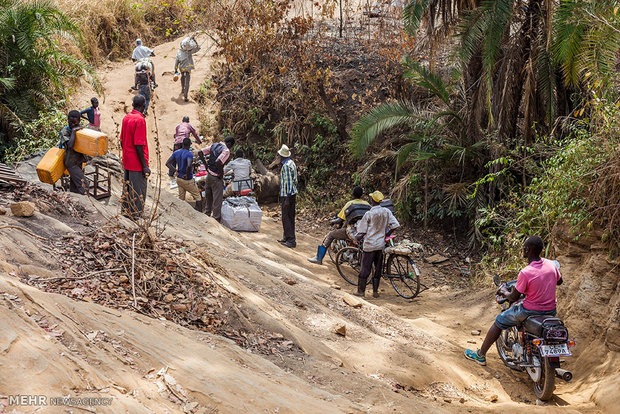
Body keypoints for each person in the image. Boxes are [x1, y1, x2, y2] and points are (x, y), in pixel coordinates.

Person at [464, 236, 563, 366]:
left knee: (499, 321)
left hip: (529, 310)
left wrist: (504, 291)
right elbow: (559, 281)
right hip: (551, 310)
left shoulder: (526, 272)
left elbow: (514, 297)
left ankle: (480, 355)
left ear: (527, 250)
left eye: (524, 248)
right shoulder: (551, 265)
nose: (523, 249)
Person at [354, 191, 399, 298]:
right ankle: (375, 292)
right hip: (380, 245)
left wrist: (357, 237)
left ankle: (361, 291)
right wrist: (386, 234)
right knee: (378, 268)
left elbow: (362, 231)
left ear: (372, 200)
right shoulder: (386, 211)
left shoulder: (369, 214)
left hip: (369, 245)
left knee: (365, 268)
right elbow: (395, 225)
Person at [307, 186, 369, 264]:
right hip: (366, 232)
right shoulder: (367, 204)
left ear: (353, 194)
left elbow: (340, 219)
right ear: (362, 195)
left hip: (353, 231)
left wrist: (332, 221)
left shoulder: (350, 203)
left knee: (331, 235)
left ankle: (318, 258)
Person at [120, 95, 150, 220]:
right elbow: (138, 145)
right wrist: (145, 166)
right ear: (143, 106)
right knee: (138, 191)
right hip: (136, 162)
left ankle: (125, 213)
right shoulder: (140, 120)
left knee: (127, 188)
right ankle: (136, 217)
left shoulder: (126, 117)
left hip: (127, 159)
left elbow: (121, 140)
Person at [198, 136, 235, 222]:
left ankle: (207, 214)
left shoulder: (214, 145)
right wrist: (221, 174)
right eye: (231, 146)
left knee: (208, 196)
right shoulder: (226, 151)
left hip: (209, 175)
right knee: (217, 199)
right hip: (216, 177)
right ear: (229, 144)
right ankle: (216, 219)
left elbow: (200, 152)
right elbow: (218, 162)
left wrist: (206, 165)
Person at [166, 137, 203, 211]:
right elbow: (189, 165)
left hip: (179, 178)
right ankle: (200, 213)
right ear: (189, 145)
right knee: (197, 196)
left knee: (181, 198)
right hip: (187, 179)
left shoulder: (176, 152)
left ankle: (181, 213)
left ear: (182, 144)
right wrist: (187, 174)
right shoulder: (189, 154)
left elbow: (167, 163)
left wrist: (175, 171)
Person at [59, 110, 88, 195]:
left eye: (75, 123)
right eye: (70, 122)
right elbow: (70, 146)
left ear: (79, 121)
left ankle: (75, 200)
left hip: (79, 161)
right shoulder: (65, 131)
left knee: (75, 185)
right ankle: (85, 203)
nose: (72, 125)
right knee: (84, 185)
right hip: (71, 163)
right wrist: (74, 132)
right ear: (67, 120)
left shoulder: (81, 129)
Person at [169, 116, 202, 188]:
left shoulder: (178, 126)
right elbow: (195, 134)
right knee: (185, 157)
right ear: (188, 121)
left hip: (177, 143)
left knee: (174, 157)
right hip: (184, 143)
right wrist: (199, 141)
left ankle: (171, 173)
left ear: (182, 120)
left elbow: (176, 135)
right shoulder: (189, 126)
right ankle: (184, 172)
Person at [276, 144, 298, 248]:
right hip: (291, 193)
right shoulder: (291, 163)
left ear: (282, 156)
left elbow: (289, 183)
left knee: (286, 217)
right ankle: (287, 236)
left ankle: (291, 240)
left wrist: (287, 199)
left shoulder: (286, 166)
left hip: (288, 195)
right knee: (290, 216)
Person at [174, 36, 201, 102]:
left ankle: (182, 89)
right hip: (188, 67)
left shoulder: (179, 52)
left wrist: (175, 70)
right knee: (187, 82)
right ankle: (185, 96)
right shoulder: (189, 51)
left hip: (181, 68)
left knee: (183, 76)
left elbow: (176, 62)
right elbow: (198, 48)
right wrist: (195, 40)